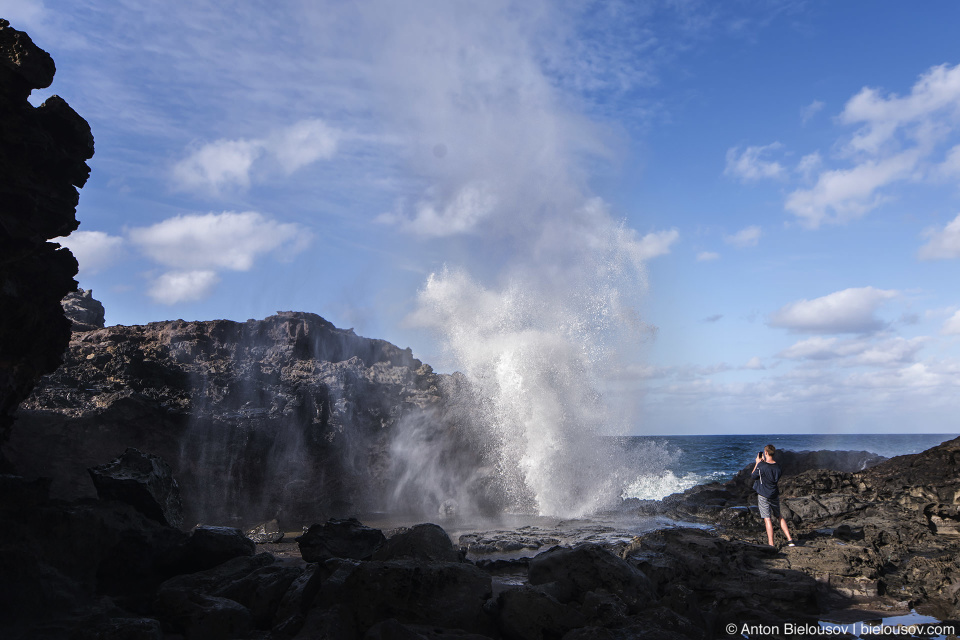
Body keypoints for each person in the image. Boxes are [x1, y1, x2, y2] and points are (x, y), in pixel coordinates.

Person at [751, 444, 795, 548]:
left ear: (765, 453)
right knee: (779, 516)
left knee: (767, 519)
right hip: (774, 494)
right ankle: (790, 540)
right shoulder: (778, 466)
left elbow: (753, 475)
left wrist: (757, 463)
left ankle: (771, 544)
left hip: (763, 495)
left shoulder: (761, 466)